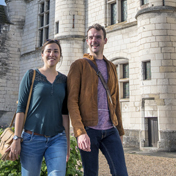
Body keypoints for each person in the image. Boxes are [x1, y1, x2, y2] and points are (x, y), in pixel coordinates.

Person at [67, 24, 128, 176]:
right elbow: (72, 102)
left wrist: (119, 130)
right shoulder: (78, 65)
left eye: (98, 37)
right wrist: (80, 132)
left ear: (105, 40)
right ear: (87, 41)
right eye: (91, 37)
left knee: (121, 173)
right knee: (91, 173)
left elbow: (115, 101)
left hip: (110, 130)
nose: (94, 40)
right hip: (89, 130)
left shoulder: (112, 67)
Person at [8, 39, 70, 176]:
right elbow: (21, 109)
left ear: (60, 56)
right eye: (48, 51)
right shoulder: (31, 75)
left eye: (56, 51)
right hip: (31, 139)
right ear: (42, 55)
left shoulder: (64, 81)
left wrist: (68, 144)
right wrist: (17, 138)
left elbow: (65, 113)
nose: (52, 54)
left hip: (57, 139)